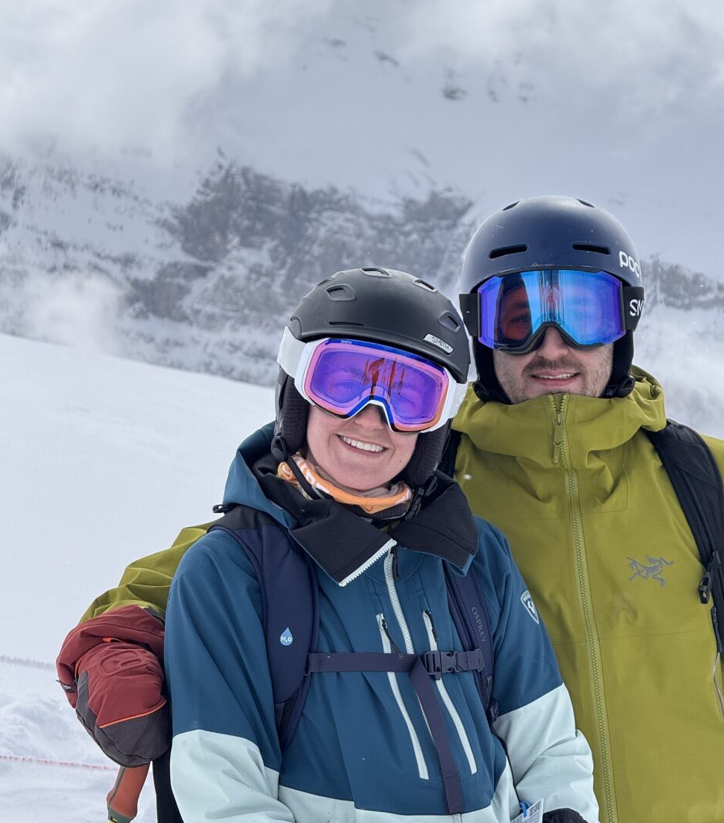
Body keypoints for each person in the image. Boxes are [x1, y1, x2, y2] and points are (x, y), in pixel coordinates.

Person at [58, 268, 599, 823]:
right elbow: (225, 799)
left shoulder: (475, 558)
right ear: (297, 395)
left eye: (409, 395)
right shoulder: (232, 572)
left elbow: (549, 748)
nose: (372, 417)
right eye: (343, 382)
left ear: (433, 428)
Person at [451, 195, 724, 823]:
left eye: (583, 313)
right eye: (516, 319)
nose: (552, 347)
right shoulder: (430, 482)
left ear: (622, 325)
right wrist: (167, 615)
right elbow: (263, 536)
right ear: (480, 332)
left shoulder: (700, 477)